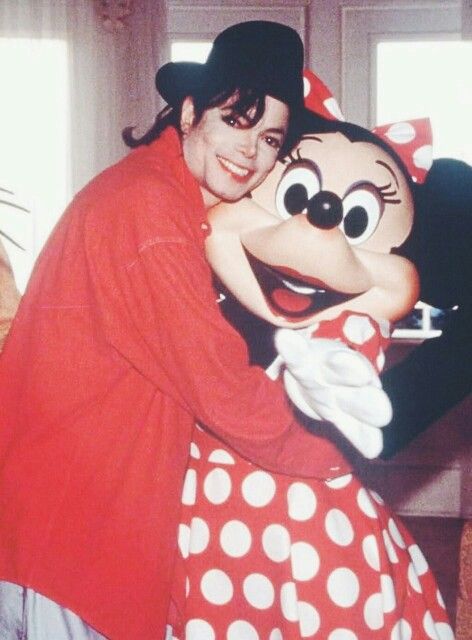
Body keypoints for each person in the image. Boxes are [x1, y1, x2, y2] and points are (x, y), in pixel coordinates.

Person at [0, 21, 385, 640]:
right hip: (71, 541)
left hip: (56, 531)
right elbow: (224, 392)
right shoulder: (150, 213)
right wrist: (343, 450)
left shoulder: (154, 196)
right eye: (236, 120)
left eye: (269, 138)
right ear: (189, 112)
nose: (250, 152)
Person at [167, 73, 454, 639]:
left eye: (356, 221)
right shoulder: (190, 293)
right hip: (205, 529)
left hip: (320, 541)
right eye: (295, 196)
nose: (318, 219)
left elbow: (349, 407)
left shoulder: (351, 326)